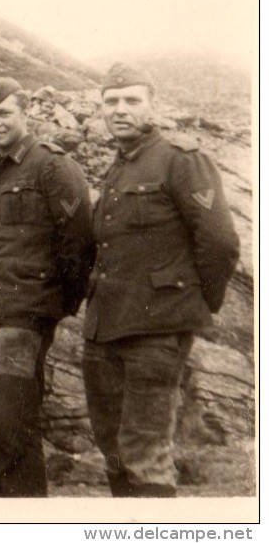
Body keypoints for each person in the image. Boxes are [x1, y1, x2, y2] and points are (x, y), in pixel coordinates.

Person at [82, 63, 239, 498]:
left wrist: (192, 306)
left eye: (132, 100)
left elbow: (220, 242)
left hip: (156, 330)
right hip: (105, 329)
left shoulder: (181, 161)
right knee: (111, 447)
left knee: (144, 451)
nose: (120, 109)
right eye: (111, 102)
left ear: (153, 105)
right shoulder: (118, 169)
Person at [0, 77, 95, 497]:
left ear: (24, 113)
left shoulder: (53, 166)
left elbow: (79, 244)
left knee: (12, 428)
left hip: (21, 318)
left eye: (4, 114)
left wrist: (52, 305)